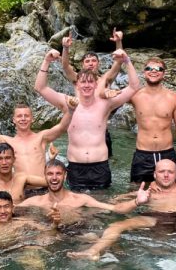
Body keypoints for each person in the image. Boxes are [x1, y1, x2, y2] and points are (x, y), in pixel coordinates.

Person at [66, 159, 176, 263]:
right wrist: (135, 199)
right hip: (154, 218)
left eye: (170, 172)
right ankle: (92, 251)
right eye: (162, 172)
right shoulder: (148, 191)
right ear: (154, 174)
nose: (166, 175)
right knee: (117, 225)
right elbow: (117, 202)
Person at [35, 48, 139, 190]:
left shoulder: (106, 104)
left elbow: (134, 87)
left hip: (100, 167)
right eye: (83, 82)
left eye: (90, 82)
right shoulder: (67, 103)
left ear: (96, 85)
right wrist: (46, 61)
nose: (87, 85)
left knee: (102, 208)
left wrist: (127, 60)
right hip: (75, 168)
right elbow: (40, 88)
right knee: (76, 209)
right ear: (77, 85)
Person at [0, 159, 150, 223]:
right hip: (49, 233)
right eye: (50, 174)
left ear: (65, 175)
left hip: (77, 232)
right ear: (45, 176)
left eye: (58, 174)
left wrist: (136, 202)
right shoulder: (36, 202)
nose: (54, 178)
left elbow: (116, 209)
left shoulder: (80, 199)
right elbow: (5, 208)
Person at [0, 97, 77, 197]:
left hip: (45, 188)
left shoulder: (41, 138)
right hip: (22, 190)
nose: (23, 119)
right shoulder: (6, 141)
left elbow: (61, 127)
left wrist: (71, 110)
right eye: (19, 116)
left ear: (32, 119)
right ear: (14, 120)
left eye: (26, 116)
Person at [61, 27, 124, 157]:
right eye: (87, 61)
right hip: (79, 128)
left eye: (93, 61)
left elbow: (119, 61)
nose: (90, 63)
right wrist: (65, 48)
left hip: (100, 130)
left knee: (106, 163)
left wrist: (118, 42)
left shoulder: (105, 80)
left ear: (98, 63)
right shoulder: (77, 79)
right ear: (83, 65)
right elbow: (65, 66)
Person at [128, 57, 176, 183]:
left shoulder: (174, 97)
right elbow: (110, 100)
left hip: (167, 153)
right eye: (149, 68)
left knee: (173, 192)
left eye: (158, 69)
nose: (153, 71)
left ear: (164, 73)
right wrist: (109, 92)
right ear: (144, 72)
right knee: (136, 191)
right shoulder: (134, 96)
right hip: (143, 154)